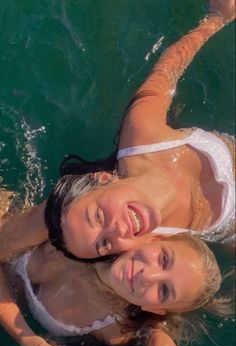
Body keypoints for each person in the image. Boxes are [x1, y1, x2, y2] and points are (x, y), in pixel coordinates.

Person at [0, 0, 235, 264]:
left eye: (99, 216)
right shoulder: (157, 252)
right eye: (104, 245)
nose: (118, 230)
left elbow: (166, 72)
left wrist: (216, 20)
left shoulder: (143, 136)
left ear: (103, 178)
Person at [0, 231, 231, 346]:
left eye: (164, 291)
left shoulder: (113, 328)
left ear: (155, 309)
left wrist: (153, 338)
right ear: (154, 238)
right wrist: (24, 336)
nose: (148, 275)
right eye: (164, 259)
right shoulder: (88, 230)